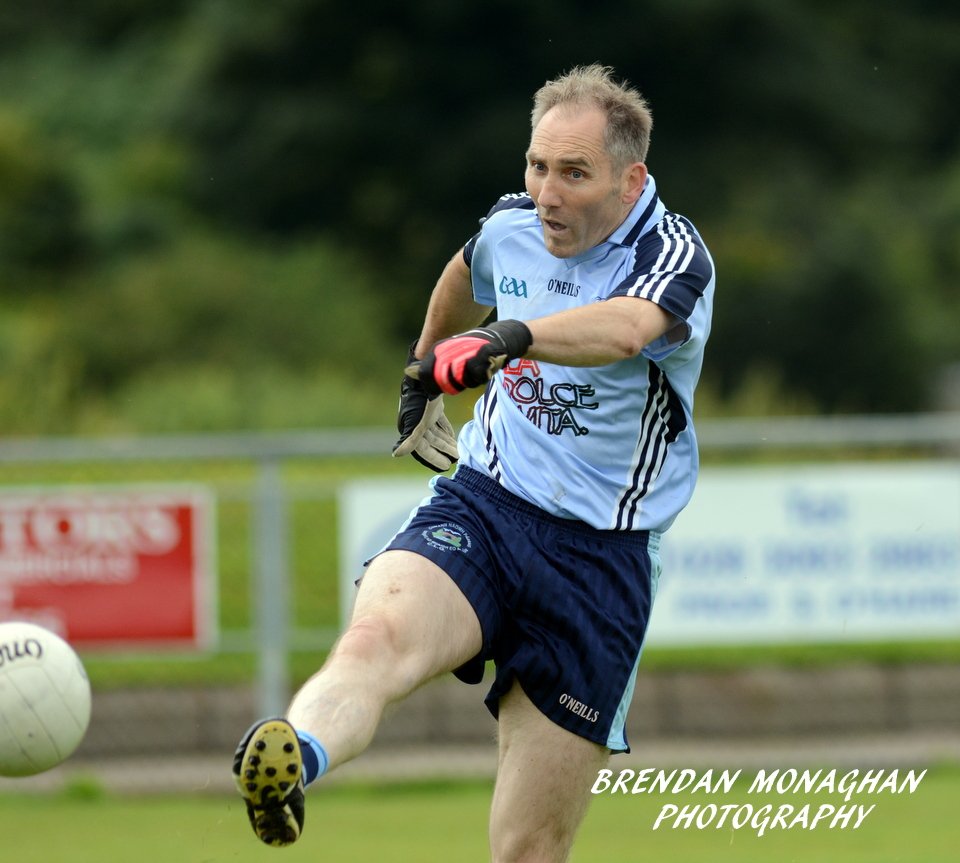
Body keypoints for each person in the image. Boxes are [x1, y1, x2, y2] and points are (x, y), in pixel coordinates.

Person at [233, 63, 715, 861]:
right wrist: (423, 369)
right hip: (484, 507)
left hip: (600, 561)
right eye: (536, 165)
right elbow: (468, 269)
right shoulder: (512, 223)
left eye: (574, 173)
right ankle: (296, 758)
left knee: (527, 846)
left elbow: (628, 329)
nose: (547, 193)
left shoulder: (673, 250)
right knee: (375, 641)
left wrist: (510, 335)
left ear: (630, 180)